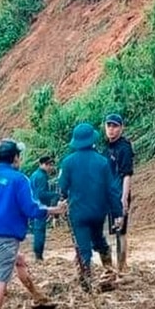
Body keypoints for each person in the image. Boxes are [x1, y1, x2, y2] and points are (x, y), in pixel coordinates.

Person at [0, 139, 65, 309]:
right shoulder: (19, 179)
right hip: (7, 238)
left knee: (19, 261)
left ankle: (37, 296)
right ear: (16, 158)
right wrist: (54, 210)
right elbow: (31, 209)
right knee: (0, 282)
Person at [60, 123, 123, 292]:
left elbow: (63, 188)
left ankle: (86, 283)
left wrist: (64, 200)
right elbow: (112, 190)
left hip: (78, 212)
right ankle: (109, 271)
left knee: (83, 247)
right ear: (92, 140)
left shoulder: (68, 162)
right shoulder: (102, 162)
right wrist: (117, 213)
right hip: (98, 211)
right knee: (99, 239)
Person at [102, 113, 135, 272]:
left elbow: (127, 174)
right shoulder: (105, 147)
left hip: (119, 195)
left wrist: (124, 198)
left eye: (115, 126)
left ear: (121, 128)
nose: (111, 129)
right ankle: (119, 265)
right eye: (109, 125)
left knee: (121, 232)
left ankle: (121, 268)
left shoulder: (124, 147)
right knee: (114, 230)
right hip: (108, 195)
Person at [28, 155, 59, 261]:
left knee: (37, 230)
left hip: (34, 205)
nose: (51, 168)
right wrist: (54, 195)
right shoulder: (41, 176)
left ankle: (38, 254)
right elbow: (41, 194)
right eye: (49, 165)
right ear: (43, 165)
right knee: (39, 231)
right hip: (40, 206)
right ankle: (38, 255)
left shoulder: (34, 175)